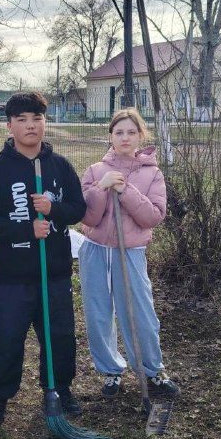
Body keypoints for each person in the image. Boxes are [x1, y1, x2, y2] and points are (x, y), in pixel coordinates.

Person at [0, 91, 86, 427]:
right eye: (22, 119)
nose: (30, 125)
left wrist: (54, 209)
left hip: (54, 273)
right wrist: (25, 229)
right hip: (10, 277)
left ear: (45, 122)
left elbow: (78, 209)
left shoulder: (60, 166)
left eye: (37, 118)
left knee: (59, 335)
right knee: (6, 338)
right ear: (9, 126)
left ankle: (59, 387)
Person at [78, 109, 180, 399]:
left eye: (131, 132)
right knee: (98, 314)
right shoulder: (95, 171)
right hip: (96, 251)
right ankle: (110, 371)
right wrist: (102, 187)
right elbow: (88, 217)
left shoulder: (153, 174)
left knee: (140, 314)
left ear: (140, 136)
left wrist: (126, 191)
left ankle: (152, 371)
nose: (125, 138)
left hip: (131, 253)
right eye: (119, 132)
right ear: (110, 136)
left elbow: (153, 217)